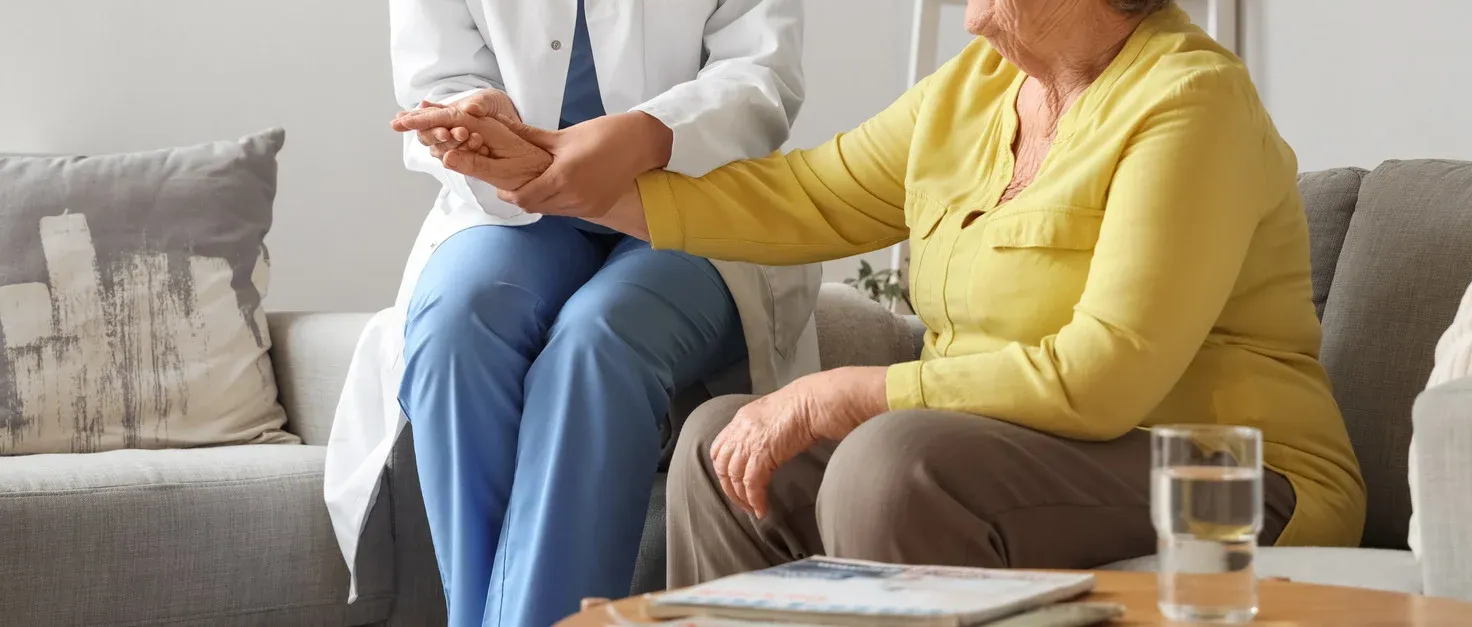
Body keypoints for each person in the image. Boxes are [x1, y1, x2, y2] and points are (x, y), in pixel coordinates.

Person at [422, 0, 1367, 584]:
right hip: (1016, 453)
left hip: (1234, 479)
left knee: (892, 460)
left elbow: (1104, 374)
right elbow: (805, 196)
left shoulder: (1188, 103)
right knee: (722, 445)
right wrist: (575, 177)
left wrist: (852, 391)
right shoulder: (978, 89)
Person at [322, 1, 818, 625]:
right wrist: (478, 118)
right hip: (514, 197)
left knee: (601, 340)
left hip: (697, 195)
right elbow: (439, 78)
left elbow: (762, 74)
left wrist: (644, 133)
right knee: (457, 323)